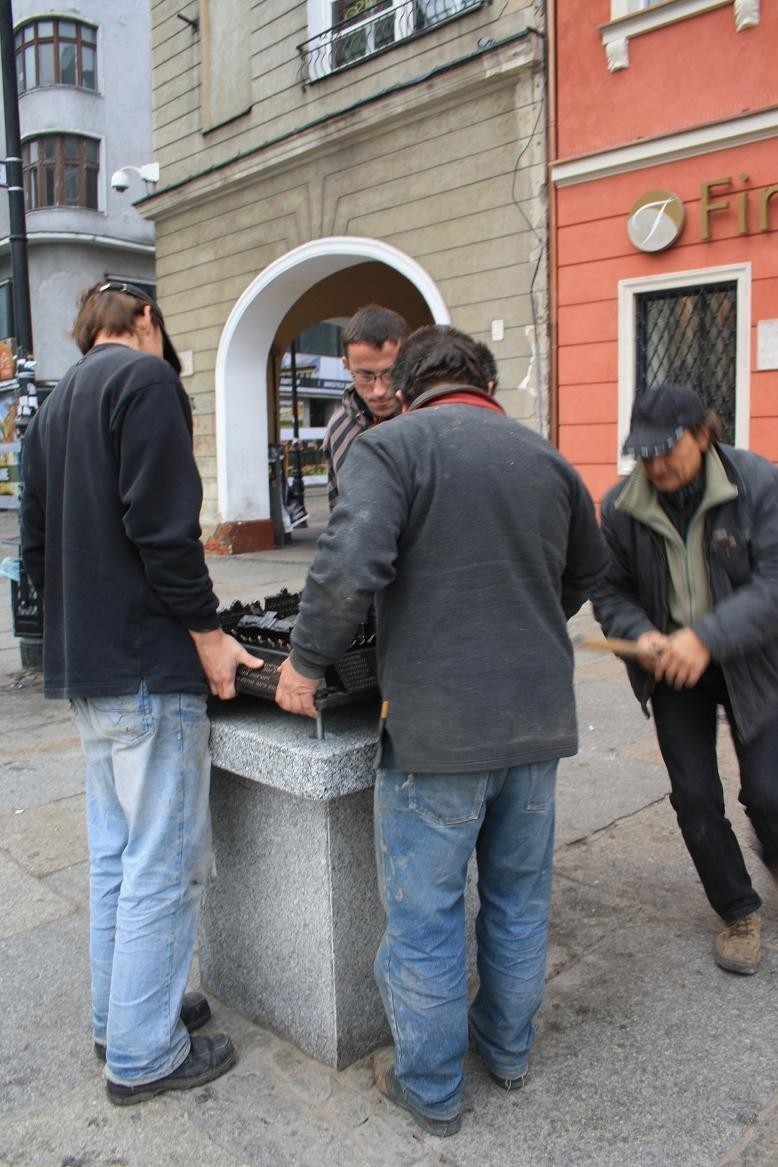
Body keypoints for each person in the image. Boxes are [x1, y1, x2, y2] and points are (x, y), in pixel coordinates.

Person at [275, 324, 608, 1136]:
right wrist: (521, 620)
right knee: (520, 901)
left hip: (436, 734)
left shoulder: (391, 451)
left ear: (412, 382)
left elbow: (349, 563)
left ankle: (429, 1089)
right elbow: (589, 574)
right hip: (534, 727)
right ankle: (508, 1054)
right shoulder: (548, 459)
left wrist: (304, 662)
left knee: (424, 918)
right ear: (484, 382)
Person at [20, 281, 262, 1105]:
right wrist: (207, 634)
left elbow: (38, 549)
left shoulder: (50, 409)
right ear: (147, 320)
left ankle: (121, 1015)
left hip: (88, 668)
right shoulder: (146, 379)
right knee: (162, 863)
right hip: (148, 665)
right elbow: (164, 532)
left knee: (117, 859)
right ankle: (145, 1054)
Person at [593, 383, 778, 977]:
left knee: (770, 794)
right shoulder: (619, 506)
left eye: (670, 448)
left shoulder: (759, 483)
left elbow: (773, 585)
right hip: (673, 666)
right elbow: (610, 589)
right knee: (696, 799)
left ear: (705, 433)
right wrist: (642, 634)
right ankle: (737, 910)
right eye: (644, 453)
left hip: (753, 658)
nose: (658, 464)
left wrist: (708, 637)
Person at [323, 304, 409, 508]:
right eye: (365, 375)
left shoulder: (429, 417)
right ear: (346, 365)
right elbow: (339, 511)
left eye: (390, 374)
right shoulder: (338, 428)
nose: (379, 390)